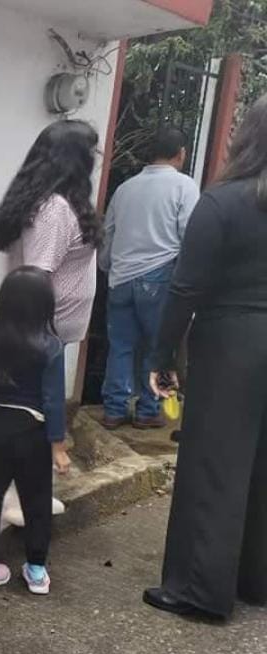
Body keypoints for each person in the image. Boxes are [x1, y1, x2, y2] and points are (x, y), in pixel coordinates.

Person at [144, 94, 267, 619]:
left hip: (232, 343)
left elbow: (186, 289)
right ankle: (254, 581)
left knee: (214, 463)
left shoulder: (223, 203)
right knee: (261, 463)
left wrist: (162, 355)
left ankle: (200, 590)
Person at [0, 120, 103, 527]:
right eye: (91, 152)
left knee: (33, 413)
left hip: (47, 330)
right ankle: (21, 500)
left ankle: (23, 494)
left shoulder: (52, 202)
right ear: (73, 159)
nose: (95, 161)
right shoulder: (54, 209)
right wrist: (39, 337)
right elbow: (37, 276)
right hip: (43, 331)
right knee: (35, 415)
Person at [0, 266, 72, 596]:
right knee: (36, 500)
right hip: (33, 430)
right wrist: (58, 446)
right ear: (44, 305)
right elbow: (53, 401)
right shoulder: (51, 346)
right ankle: (37, 570)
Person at [99, 127, 200, 430]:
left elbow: (109, 235)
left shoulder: (125, 189)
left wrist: (109, 268)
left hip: (121, 278)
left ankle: (114, 410)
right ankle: (148, 410)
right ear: (181, 153)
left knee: (120, 346)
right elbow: (190, 236)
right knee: (159, 347)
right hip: (159, 277)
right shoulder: (184, 186)